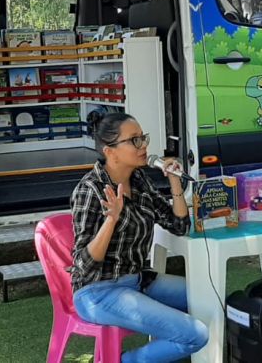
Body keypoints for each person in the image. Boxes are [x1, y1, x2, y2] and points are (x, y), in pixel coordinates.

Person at [70, 112, 209, 363]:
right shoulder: (90, 189)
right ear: (110, 151)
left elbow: (179, 226)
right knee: (195, 334)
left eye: (143, 138)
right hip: (99, 291)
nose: (143, 146)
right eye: (134, 140)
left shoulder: (139, 180)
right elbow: (84, 266)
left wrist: (175, 183)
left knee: (210, 297)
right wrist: (111, 220)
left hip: (138, 280)